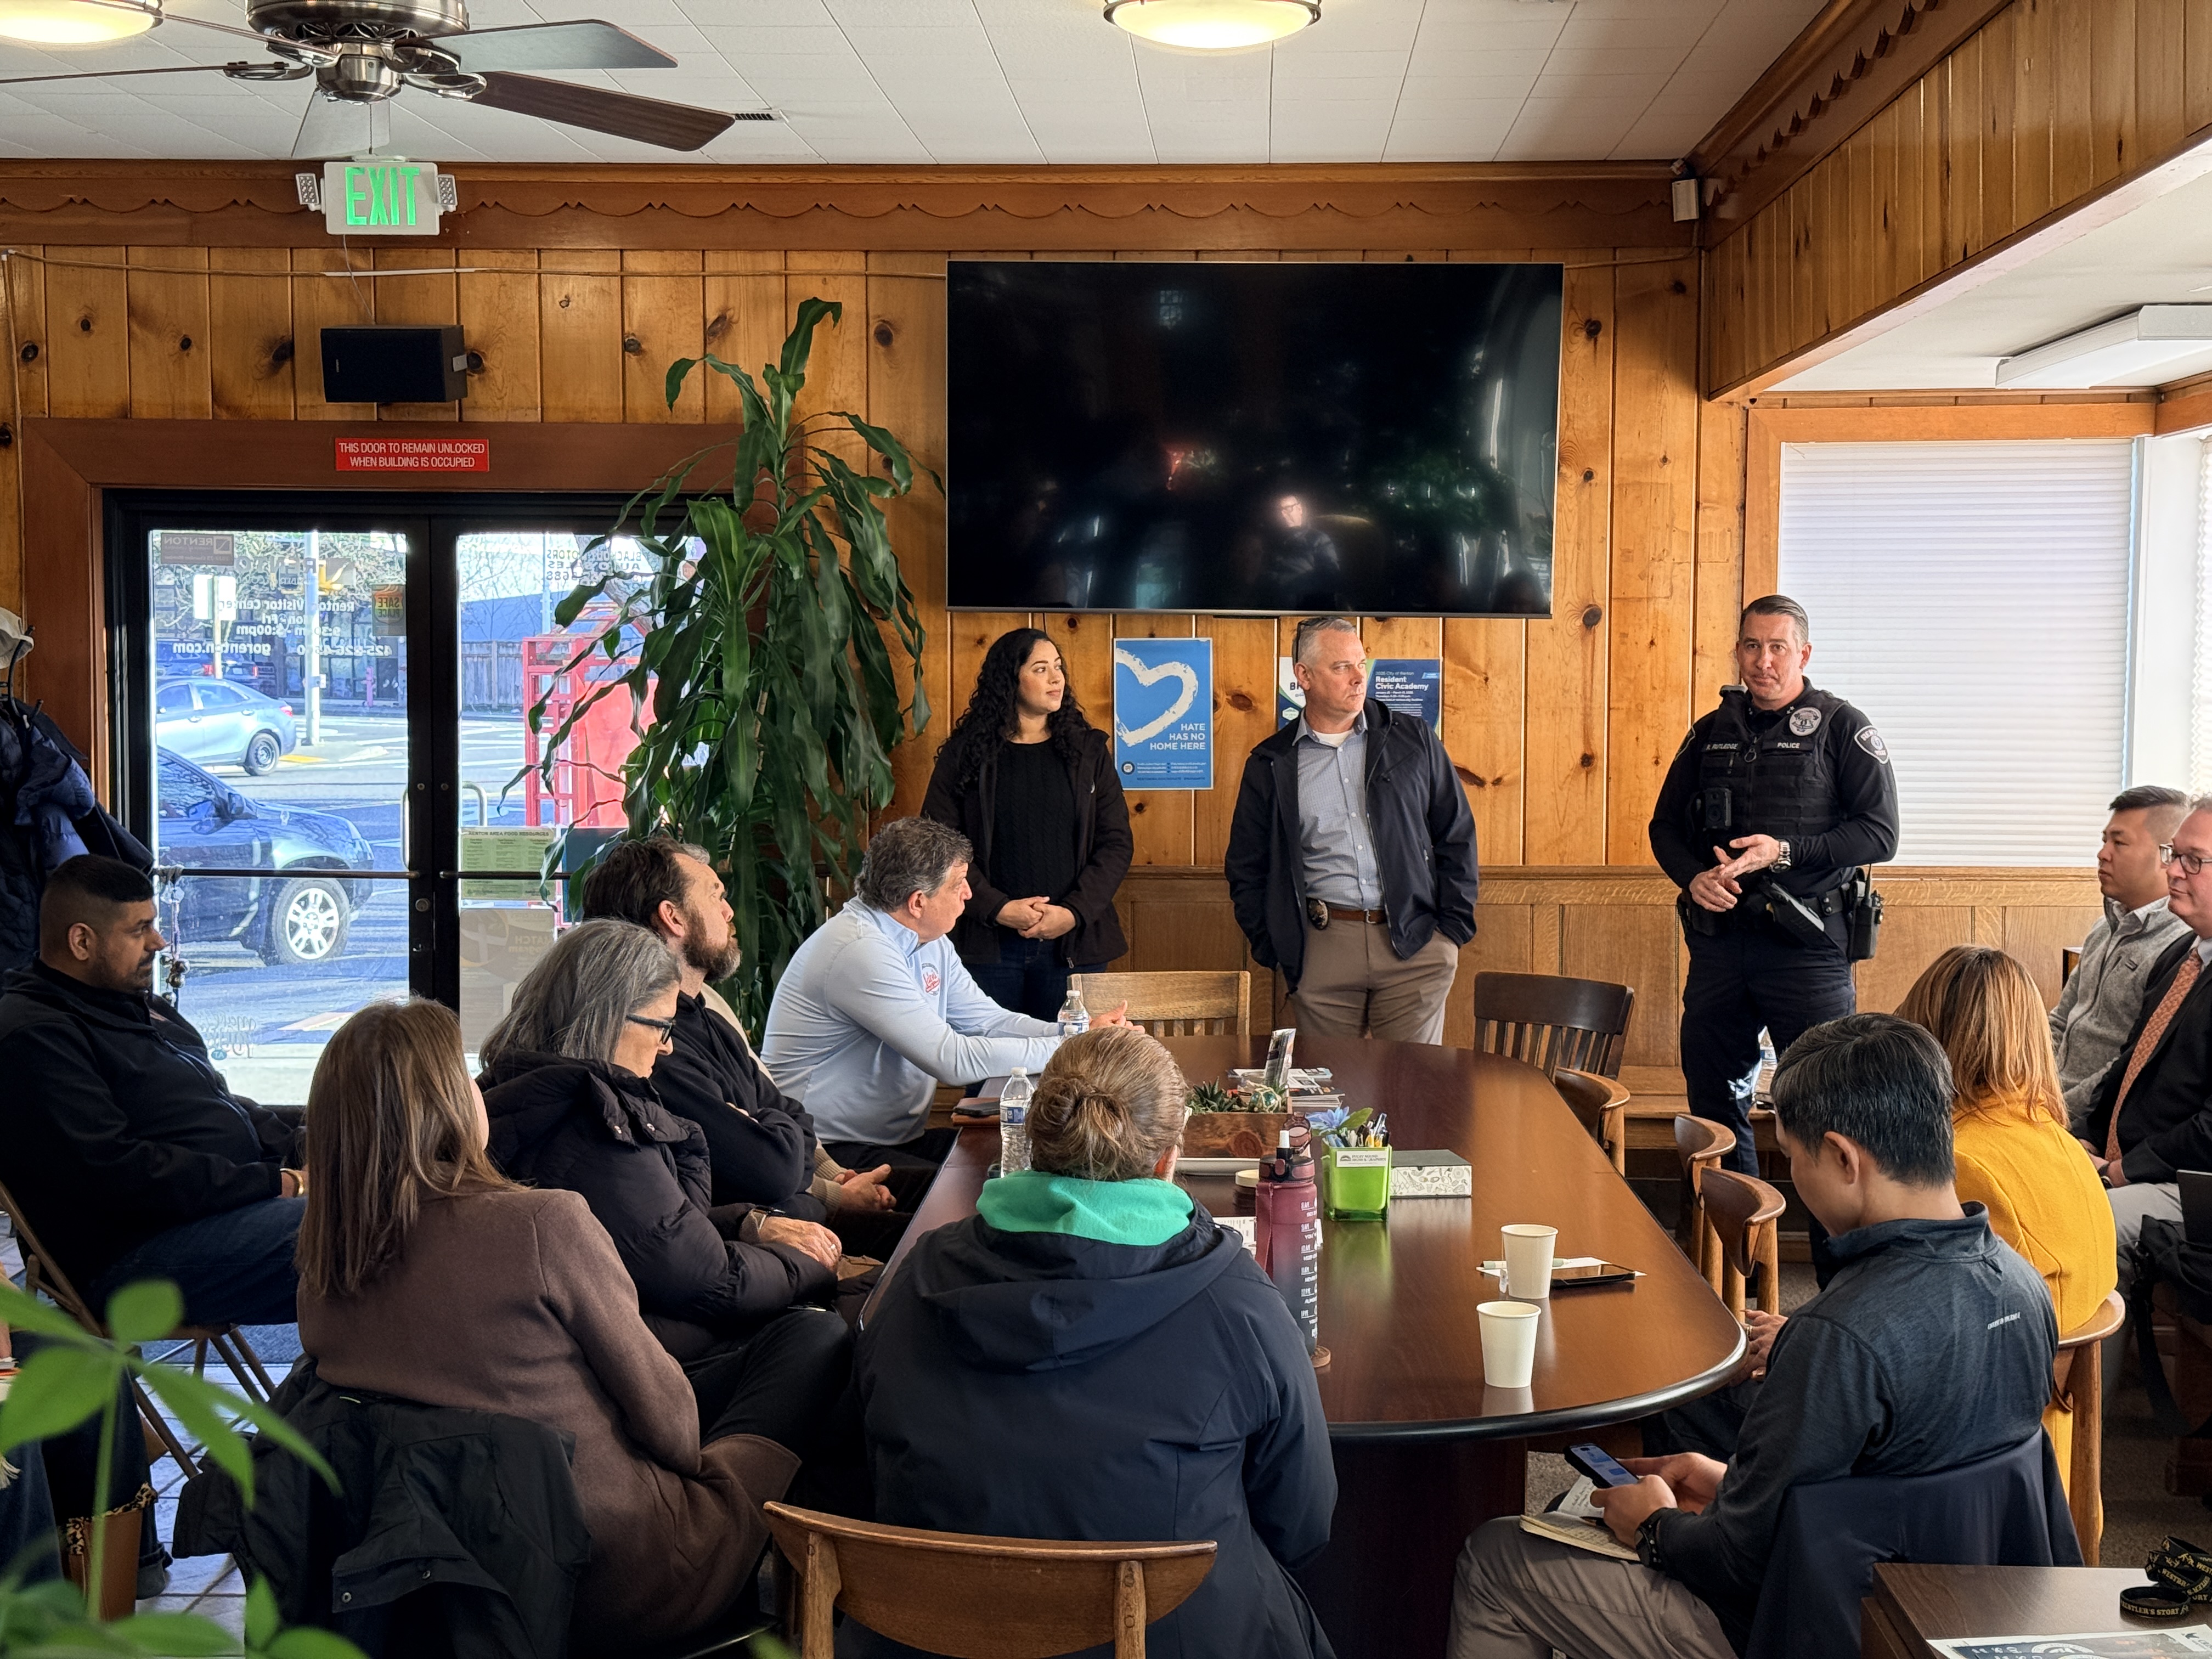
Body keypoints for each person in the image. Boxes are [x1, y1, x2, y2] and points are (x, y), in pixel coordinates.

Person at [1451, 1013, 2056, 1659]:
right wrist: (1730, 1482)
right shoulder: (2023, 1286)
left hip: (1802, 1626)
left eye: (1794, 1160)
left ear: (1845, 1158)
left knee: (1496, 1556)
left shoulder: (1839, 1337)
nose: (1795, 1182)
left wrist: (1654, 1527)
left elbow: (1734, 1564)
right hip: (1943, 1613)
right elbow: (1896, 1494)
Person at [296, 997, 836, 1650]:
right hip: (624, 1576)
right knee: (814, 1339)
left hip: (444, 1580)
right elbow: (674, 1429)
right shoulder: (542, 1223)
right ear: (448, 1103)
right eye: (465, 1075)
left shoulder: (326, 1260)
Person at [856, 1025, 1337, 1659]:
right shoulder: (1241, 1303)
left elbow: (866, 1467)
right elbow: (1301, 1526)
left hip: (933, 1641)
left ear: (1033, 1140)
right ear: (1170, 1156)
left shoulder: (918, 1275)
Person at [477, 918, 842, 1356]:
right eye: (662, 1027)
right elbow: (717, 1283)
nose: (667, 1047)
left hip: (577, 1338)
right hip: (613, 1361)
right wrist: (814, 1267)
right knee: (820, 1335)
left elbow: (657, 1229)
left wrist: (748, 1222)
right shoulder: (596, 1125)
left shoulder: (510, 1087)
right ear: (608, 1018)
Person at [1649, 594, 1898, 1177]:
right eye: (1753, 646)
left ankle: (1837, 1265)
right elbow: (1664, 827)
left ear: (1804, 653)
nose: (1764, 661)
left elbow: (1880, 835)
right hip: (1721, 946)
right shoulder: (1710, 731)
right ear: (1738, 652)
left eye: (1778, 647)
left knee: (1825, 1110)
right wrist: (1693, 879)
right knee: (1714, 1106)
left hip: (1808, 949)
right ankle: (1734, 1260)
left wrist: (1786, 852)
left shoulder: (1843, 728)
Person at [0, 854, 304, 1327]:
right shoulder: (34, 1036)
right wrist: (279, 1183)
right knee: (365, 1233)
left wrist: (311, 1151)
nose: (158, 943)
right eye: (138, 929)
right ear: (82, 941)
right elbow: (119, 1172)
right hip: (131, 1261)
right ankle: (345, 1396)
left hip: (216, 1218)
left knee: (406, 1201)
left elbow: (219, 1103)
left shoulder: (141, 1006)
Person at [578, 835, 908, 1250]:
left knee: (944, 1216)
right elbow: (769, 1171)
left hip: (795, 1216)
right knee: (941, 1243)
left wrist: (765, 1127)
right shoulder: (650, 1039)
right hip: (752, 1242)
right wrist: (781, 1142)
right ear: (673, 918)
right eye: (715, 895)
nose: (729, 910)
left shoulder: (704, 1009)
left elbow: (790, 1115)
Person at [761, 817, 1126, 1173]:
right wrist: (1073, 1049)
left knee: (1013, 1167)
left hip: (889, 1141)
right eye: (959, 884)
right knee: (990, 1189)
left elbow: (988, 1021)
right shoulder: (859, 950)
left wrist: (1078, 1036)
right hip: (826, 1153)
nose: (969, 894)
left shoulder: (926, 936)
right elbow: (952, 1059)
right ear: (918, 901)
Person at [1895, 946, 2115, 1487]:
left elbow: (1941, 1356)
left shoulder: (1961, 1162)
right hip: (2052, 1469)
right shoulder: (2063, 1147)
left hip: (1976, 1475)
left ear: (1925, 1036)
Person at [1224, 615, 1479, 1043]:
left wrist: (1450, 933)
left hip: (1414, 945)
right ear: (1303, 676)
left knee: (1411, 1089)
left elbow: (1455, 834)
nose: (1359, 677)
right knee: (1330, 1095)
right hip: (1322, 947)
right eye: (1342, 667)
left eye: (1362, 663)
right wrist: (1279, 949)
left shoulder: (1412, 739)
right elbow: (1247, 868)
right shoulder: (1271, 763)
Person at [921, 627, 1132, 1022]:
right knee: (987, 1071)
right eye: (1040, 669)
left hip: (1073, 944)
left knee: (1073, 1074)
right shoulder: (964, 754)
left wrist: (1072, 912)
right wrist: (998, 908)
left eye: (1058, 667)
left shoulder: (1088, 751)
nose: (1056, 678)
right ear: (1010, 681)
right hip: (987, 946)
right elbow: (939, 846)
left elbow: (1116, 843)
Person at [2081, 794, 2212, 1297]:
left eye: (2192, 861)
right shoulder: (2182, 953)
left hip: (2195, 1185)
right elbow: (2127, 1066)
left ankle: (2080, 1379)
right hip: (2134, 1160)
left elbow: (2211, 1131)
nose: (2173, 872)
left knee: (2081, 1223)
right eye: (2173, 855)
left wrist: (2118, 1172)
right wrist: (2088, 1138)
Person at [2050, 785, 2192, 1124]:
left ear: (2166, 855)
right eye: (2104, 841)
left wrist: (2054, 1113)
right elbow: (2060, 1021)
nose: (2103, 853)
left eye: (2119, 842)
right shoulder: (2104, 928)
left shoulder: (2180, 945)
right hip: (2048, 1098)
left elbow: (2129, 1067)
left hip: (2088, 1120)